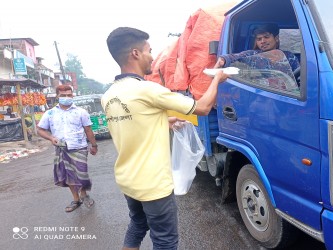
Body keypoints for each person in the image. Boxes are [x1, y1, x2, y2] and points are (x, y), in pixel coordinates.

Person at [103, 27, 228, 250]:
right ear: (135, 53)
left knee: (137, 226)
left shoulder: (110, 95)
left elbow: (133, 123)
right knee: (165, 241)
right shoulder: (147, 90)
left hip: (127, 179)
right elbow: (203, 107)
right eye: (149, 50)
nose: (152, 56)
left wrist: (165, 122)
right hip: (152, 183)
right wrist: (217, 79)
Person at [37, 85, 98, 213]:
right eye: (63, 95)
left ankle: (84, 194)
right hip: (62, 149)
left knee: (81, 173)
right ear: (57, 96)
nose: (66, 98)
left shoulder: (81, 112)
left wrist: (94, 145)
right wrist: (51, 138)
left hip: (79, 147)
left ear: (72, 95)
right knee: (69, 174)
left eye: (69, 95)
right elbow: (40, 130)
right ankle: (76, 199)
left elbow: (88, 129)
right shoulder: (50, 113)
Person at [214, 23, 300, 72]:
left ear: (276, 38)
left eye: (266, 37)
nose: (262, 41)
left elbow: (299, 78)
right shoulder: (252, 55)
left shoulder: (289, 57)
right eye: (259, 39)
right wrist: (223, 59)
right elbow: (236, 56)